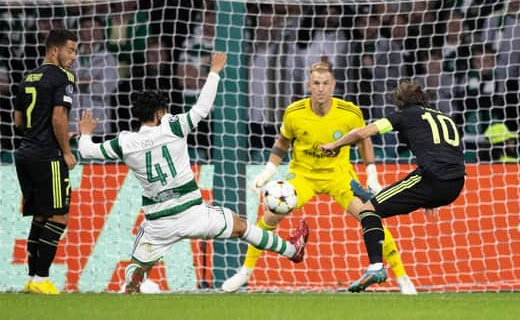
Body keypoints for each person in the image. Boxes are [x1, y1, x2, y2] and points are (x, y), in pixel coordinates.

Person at [77, 52, 309, 293]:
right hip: (192, 213)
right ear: (159, 114)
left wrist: (85, 132)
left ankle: (133, 282)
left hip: (158, 222)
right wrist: (214, 73)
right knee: (242, 227)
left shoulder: (125, 143)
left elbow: (86, 151)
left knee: (139, 266)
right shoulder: (173, 127)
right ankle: (292, 250)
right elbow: (201, 108)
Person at [222, 61, 417, 294]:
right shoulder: (294, 113)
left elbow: (364, 140)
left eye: (325, 83)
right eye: (316, 83)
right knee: (271, 215)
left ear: (333, 85)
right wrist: (269, 171)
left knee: (370, 216)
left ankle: (402, 277)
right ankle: (246, 271)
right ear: (309, 85)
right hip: (303, 175)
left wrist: (372, 175)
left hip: (338, 175)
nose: (321, 88)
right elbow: (283, 141)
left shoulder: (350, 113)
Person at [320, 80, 466, 292]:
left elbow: (362, 133)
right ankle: (376, 194)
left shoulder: (404, 115)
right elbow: (449, 152)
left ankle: (376, 267)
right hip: (455, 184)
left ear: (399, 102)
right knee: (384, 200)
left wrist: (335, 144)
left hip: (432, 179)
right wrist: (434, 197)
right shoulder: (445, 117)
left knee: (368, 210)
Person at [13, 29, 79, 294]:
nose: (74, 56)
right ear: (55, 51)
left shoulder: (28, 77)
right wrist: (66, 151)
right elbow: (58, 117)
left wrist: (38, 131)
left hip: (25, 153)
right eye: (71, 50)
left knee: (40, 215)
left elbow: (18, 121)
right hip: (47, 154)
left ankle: (31, 279)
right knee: (59, 215)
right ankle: (42, 279)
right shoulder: (63, 76)